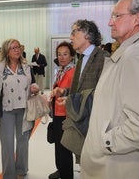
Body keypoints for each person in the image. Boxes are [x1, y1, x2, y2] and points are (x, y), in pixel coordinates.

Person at [80, 0, 139, 179]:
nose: (110, 22)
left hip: (120, 165)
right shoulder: (130, 53)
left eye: (117, 16)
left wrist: (105, 142)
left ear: (137, 18)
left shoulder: (137, 56)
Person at [52, 19, 109, 173]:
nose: (71, 37)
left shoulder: (103, 58)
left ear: (87, 34)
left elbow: (103, 93)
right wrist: (65, 92)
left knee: (94, 167)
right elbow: (79, 89)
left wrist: (72, 100)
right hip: (80, 120)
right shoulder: (82, 59)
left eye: (74, 32)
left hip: (92, 123)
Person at [0, 38, 39, 179]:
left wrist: (34, 88)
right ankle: (9, 173)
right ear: (6, 51)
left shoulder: (27, 67)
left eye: (18, 47)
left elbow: (33, 84)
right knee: (7, 143)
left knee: (23, 141)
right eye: (13, 48)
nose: (17, 50)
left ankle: (21, 170)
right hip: (6, 110)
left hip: (24, 109)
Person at [49, 41, 76, 179]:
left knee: (64, 148)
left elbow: (75, 93)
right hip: (57, 112)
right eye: (59, 54)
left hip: (66, 114)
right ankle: (60, 170)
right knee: (58, 146)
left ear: (72, 56)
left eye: (65, 54)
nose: (62, 57)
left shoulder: (73, 72)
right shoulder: (61, 70)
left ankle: (66, 174)